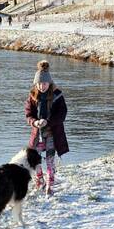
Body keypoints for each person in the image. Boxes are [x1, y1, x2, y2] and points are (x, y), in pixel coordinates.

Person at [24, 61, 68, 195]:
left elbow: (62, 114)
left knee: (50, 160)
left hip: (52, 134)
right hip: (37, 134)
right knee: (33, 158)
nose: (41, 86)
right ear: (35, 84)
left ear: (49, 83)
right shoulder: (32, 96)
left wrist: (47, 122)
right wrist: (34, 122)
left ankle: (50, 185)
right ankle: (40, 181)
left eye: (44, 83)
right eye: (39, 84)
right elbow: (28, 114)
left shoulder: (57, 95)